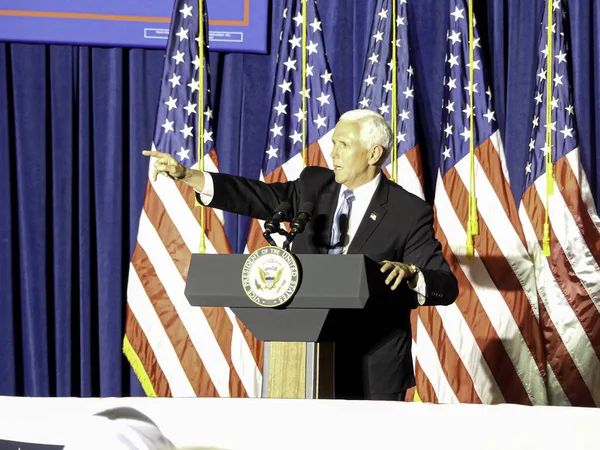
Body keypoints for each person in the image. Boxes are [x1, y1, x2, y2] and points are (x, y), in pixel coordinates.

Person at [144, 109, 458, 400]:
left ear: (373, 154)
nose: (332, 153)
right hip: (301, 356)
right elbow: (259, 197)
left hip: (372, 363)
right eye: (333, 143)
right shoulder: (314, 184)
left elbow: (446, 284)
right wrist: (188, 176)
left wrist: (413, 274)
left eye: (343, 145)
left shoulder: (407, 211)